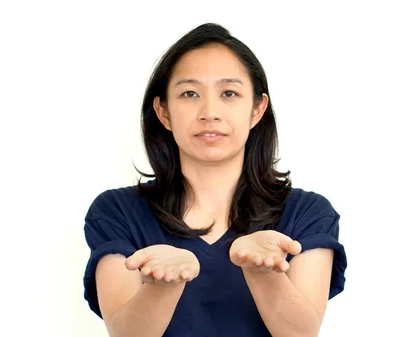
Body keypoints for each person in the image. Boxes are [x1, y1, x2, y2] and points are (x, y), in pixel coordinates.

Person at [82, 23, 348, 337]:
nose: (210, 112)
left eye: (229, 93)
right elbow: (125, 333)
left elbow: (302, 333)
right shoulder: (117, 211)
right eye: (190, 93)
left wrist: (261, 271)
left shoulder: (308, 213)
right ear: (163, 111)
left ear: (257, 109)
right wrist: (163, 285)